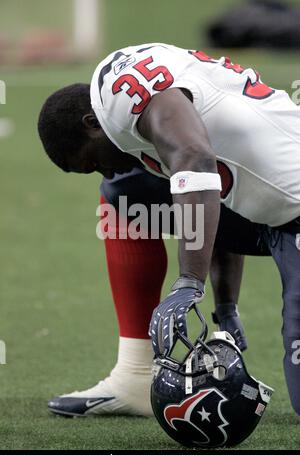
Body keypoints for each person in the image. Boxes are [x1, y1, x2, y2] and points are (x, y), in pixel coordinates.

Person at [38, 43, 300, 417]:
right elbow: (213, 197)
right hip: (273, 217)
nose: (105, 171)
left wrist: (189, 282)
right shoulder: (141, 103)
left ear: (92, 124)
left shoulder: (119, 96)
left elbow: (197, 160)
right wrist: (225, 307)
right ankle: (134, 374)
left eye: (94, 162)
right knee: (124, 193)